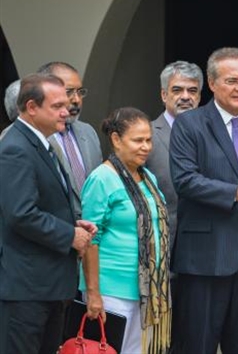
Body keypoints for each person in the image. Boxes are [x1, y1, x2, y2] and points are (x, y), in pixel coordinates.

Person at [169, 47, 238, 354]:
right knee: (197, 345)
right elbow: (185, 180)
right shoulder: (189, 124)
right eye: (232, 81)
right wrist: (236, 194)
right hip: (206, 256)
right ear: (212, 83)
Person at [0, 73, 95, 354]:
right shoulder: (16, 148)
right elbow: (21, 213)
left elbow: (42, 204)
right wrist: (69, 235)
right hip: (27, 288)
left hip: (47, 284)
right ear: (31, 107)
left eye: (66, 104)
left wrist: (73, 224)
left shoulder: (41, 143)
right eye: (57, 106)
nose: (67, 111)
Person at [80, 107, 171, 354]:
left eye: (149, 140)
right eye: (138, 140)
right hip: (112, 290)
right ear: (116, 140)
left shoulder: (147, 176)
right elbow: (90, 238)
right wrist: (93, 293)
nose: (146, 147)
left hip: (146, 291)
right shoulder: (102, 178)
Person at [145, 60, 203, 252]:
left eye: (192, 91)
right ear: (164, 94)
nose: (186, 97)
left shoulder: (213, 135)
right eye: (177, 90)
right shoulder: (146, 135)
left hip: (205, 245)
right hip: (161, 243)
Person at [39, 62, 103, 219]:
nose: (76, 100)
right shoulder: (32, 135)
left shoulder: (88, 133)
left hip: (93, 235)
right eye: (68, 92)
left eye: (80, 92)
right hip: (53, 236)